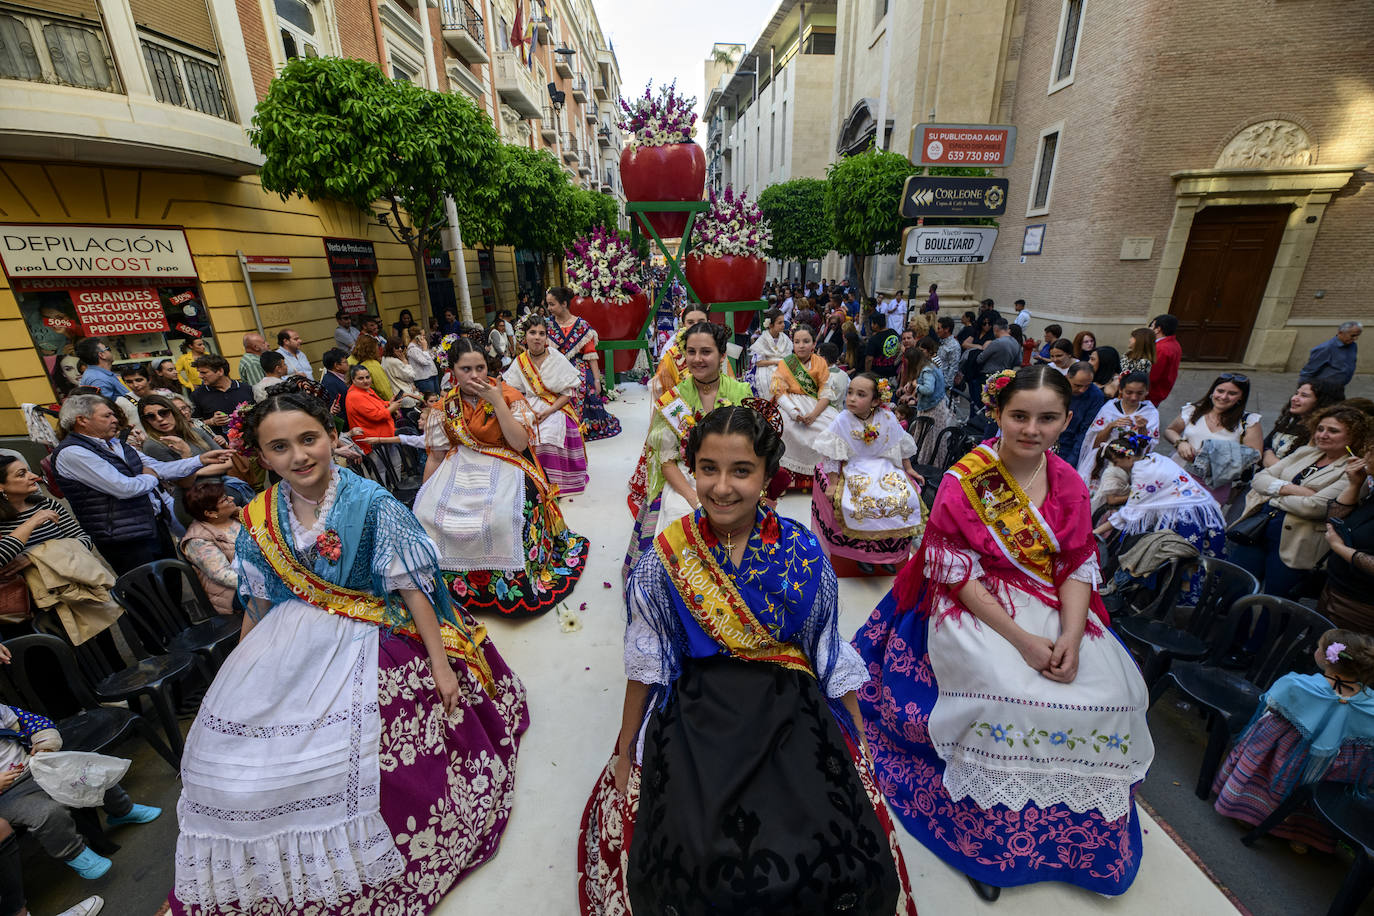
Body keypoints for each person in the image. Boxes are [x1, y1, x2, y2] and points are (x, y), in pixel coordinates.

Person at [168, 377, 527, 915]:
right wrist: (244, 670)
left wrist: (441, 666)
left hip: (371, 638)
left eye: (308, 438)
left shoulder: (374, 503)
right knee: (245, 762)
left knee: (366, 757)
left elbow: (413, 589)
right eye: (279, 446)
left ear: (332, 436)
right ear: (261, 455)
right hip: (290, 641)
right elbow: (259, 604)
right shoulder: (261, 517)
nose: (298, 455)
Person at [580, 405, 919, 916]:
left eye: (741, 471)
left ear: (766, 475)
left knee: (838, 854)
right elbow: (647, 662)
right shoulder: (664, 558)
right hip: (696, 706)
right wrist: (626, 750)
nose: (721, 487)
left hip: (789, 703)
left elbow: (825, 647)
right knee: (691, 856)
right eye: (708, 468)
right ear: (691, 468)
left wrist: (856, 735)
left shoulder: (802, 550)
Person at [855, 365, 1155, 900]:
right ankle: (982, 834)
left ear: (1067, 421)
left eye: (1047, 418)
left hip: (1050, 600)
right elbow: (954, 571)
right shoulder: (965, 478)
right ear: (998, 414)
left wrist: (1069, 634)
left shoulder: (1067, 483)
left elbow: (1077, 564)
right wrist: (1023, 641)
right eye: (1019, 415)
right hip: (975, 602)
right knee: (1003, 690)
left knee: (1114, 692)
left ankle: (1081, 834)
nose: (1031, 429)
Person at [414, 338, 587, 617]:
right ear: (452, 372)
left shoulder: (509, 397)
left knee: (502, 515)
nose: (475, 376)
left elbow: (519, 444)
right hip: (460, 467)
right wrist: (426, 494)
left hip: (507, 464)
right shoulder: (445, 407)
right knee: (427, 513)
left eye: (480, 367)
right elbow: (435, 456)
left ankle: (507, 585)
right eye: (466, 369)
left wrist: (497, 402)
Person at [1212, 630, 1374, 852]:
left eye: (1318, 646)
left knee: (1271, 771)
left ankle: (1251, 814)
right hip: (1330, 765)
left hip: (1288, 751)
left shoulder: (1298, 684)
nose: (1315, 650)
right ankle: (1302, 836)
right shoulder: (1369, 702)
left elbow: (1272, 701)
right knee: (1317, 790)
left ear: (1327, 657)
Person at [624, 322, 753, 578]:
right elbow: (667, 461)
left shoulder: (741, 393)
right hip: (686, 475)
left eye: (705, 352)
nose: (697, 359)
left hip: (733, 475)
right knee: (679, 514)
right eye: (691, 352)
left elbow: (751, 452)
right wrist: (693, 497)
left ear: (722, 355)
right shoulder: (674, 398)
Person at [52, 395, 230, 574]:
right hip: (123, 537)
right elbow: (124, 488)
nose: (115, 420)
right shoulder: (73, 453)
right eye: (107, 416)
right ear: (82, 420)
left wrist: (199, 459)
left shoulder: (114, 443)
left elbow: (159, 468)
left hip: (152, 524)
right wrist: (152, 478)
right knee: (149, 591)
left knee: (171, 581)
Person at [0, 701, 160, 881]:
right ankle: (75, 854)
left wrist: (44, 740)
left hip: (34, 765)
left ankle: (123, 809)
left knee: (86, 772)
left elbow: (28, 722)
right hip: (6, 795)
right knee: (47, 813)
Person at [1231, 405, 1367, 598]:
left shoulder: (1353, 470)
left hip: (1297, 543)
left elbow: (1315, 507)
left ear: (1353, 436)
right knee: (1235, 586)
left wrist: (1273, 494)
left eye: (1333, 431)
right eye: (1320, 429)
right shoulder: (1306, 452)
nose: (1323, 434)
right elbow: (1259, 479)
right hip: (1258, 529)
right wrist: (1297, 491)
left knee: (1276, 602)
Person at [1092, 431, 1228, 599]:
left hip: (1189, 519)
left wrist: (1095, 533)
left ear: (1128, 458)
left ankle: (1177, 605)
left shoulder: (1142, 474)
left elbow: (1129, 514)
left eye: (1115, 462)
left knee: (1179, 564)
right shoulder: (1155, 458)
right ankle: (1198, 603)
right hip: (1205, 513)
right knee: (1199, 566)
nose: (1114, 466)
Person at [812, 373, 924, 572]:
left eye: (861, 394)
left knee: (899, 497)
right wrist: (833, 481)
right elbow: (832, 454)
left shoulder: (887, 417)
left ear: (875, 400)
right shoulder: (842, 419)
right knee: (861, 499)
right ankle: (862, 554)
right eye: (850, 393)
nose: (852, 398)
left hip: (883, 466)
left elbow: (900, 442)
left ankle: (886, 554)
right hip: (855, 467)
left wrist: (908, 469)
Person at [503, 314, 589, 497]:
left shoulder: (556, 358)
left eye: (541, 333)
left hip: (556, 405)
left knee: (550, 434)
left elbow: (568, 393)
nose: (537, 337)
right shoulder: (520, 362)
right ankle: (533, 485)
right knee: (523, 435)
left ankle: (559, 485)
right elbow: (511, 391)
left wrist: (549, 410)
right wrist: (526, 410)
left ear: (546, 337)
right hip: (529, 406)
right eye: (532, 332)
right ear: (524, 337)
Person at [138, 393, 243, 522]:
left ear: (173, 411)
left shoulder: (195, 432)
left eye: (163, 412)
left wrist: (195, 470)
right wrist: (186, 454)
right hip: (195, 504)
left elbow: (227, 462)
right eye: (151, 416)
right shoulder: (153, 445)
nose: (159, 419)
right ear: (146, 421)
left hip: (222, 492)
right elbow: (185, 482)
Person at [1162, 373, 1264, 504]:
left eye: (1232, 393)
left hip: (1214, 484)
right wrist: (1180, 443)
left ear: (1241, 397)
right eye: (1220, 391)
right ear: (1212, 391)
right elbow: (1170, 430)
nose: (1223, 397)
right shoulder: (1193, 410)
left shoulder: (1248, 422)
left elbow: (1254, 455)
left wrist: (1212, 453)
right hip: (1177, 474)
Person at [545, 286, 621, 441]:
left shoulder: (581, 326)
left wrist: (597, 380)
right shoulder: (547, 326)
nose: (549, 308)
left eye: (552, 304)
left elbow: (591, 355)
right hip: (555, 370)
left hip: (579, 371)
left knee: (585, 387)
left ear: (564, 304)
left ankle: (583, 426)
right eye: (548, 304)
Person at [1322, 443, 1374, 631]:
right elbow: (1333, 521)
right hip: (1336, 589)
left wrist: (1340, 549)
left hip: (1362, 608)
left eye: (1370, 450)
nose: (1365, 455)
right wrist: (1354, 484)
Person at [1075, 371, 1160, 479]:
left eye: (1139, 393)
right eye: (1129, 392)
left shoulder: (1150, 413)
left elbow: (1145, 449)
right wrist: (1110, 426)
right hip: (1102, 460)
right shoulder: (1109, 408)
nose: (1134, 397)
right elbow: (1095, 443)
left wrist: (1142, 428)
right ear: (1120, 389)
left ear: (1146, 392)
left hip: (1129, 464)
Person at [179, 479, 241, 616]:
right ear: (211, 513)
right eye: (225, 500)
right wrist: (267, 580)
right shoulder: (198, 541)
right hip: (233, 592)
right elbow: (224, 575)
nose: (232, 498)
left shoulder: (237, 516)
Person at [1263, 379, 1345, 467]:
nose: (1294, 398)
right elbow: (1261, 448)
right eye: (1296, 393)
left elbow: (1290, 469)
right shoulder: (1290, 421)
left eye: (1304, 395)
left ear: (1321, 402)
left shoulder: (1319, 433)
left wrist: (1267, 454)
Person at [344, 365, 405, 457]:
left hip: (382, 436)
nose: (365, 381)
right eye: (361, 378)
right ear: (353, 380)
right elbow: (376, 415)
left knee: (395, 465)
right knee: (382, 470)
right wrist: (392, 408)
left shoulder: (366, 389)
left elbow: (378, 404)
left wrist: (389, 404)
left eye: (367, 377)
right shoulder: (355, 396)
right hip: (373, 440)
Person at [1057, 361, 1106, 469]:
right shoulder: (1056, 388)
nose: (1082, 390)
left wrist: (1071, 460)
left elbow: (1085, 432)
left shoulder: (1096, 395)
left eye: (1087, 386)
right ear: (1067, 377)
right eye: (1077, 385)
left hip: (1071, 446)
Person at [188, 356, 253, 429]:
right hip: (217, 439)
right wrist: (211, 421)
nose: (200, 376)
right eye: (199, 372)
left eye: (204, 372)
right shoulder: (197, 395)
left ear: (220, 371)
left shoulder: (246, 389)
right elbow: (190, 425)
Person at [1299, 321, 1361, 387]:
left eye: (1358, 335)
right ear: (1340, 333)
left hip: (1339, 387)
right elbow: (1307, 372)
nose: (1355, 338)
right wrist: (1302, 391)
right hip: (1322, 388)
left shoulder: (1353, 346)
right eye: (1353, 335)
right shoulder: (1325, 348)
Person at [747, 308, 792, 398]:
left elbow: (789, 357)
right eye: (780, 323)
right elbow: (758, 362)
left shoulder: (785, 339)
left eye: (783, 322)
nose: (783, 325)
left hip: (783, 365)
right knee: (768, 379)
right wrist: (776, 362)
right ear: (771, 325)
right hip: (765, 367)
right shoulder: (763, 339)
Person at [1147, 314, 1182, 407]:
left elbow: (1152, 375)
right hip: (1160, 391)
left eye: (1151, 326)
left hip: (1150, 394)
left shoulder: (1161, 348)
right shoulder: (1174, 344)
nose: (1149, 328)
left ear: (1158, 329)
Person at [347, 333, 393, 401]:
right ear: (372, 349)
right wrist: (394, 405)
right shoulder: (373, 365)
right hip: (379, 404)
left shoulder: (351, 361)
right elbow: (384, 390)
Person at [381, 337, 421, 409]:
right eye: (397, 347)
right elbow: (411, 376)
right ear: (391, 348)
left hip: (398, 395)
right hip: (405, 396)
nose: (400, 349)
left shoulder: (384, 359)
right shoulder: (395, 362)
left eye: (402, 347)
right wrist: (405, 362)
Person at [864, 310, 901, 380]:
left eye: (872, 323)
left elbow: (869, 359)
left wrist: (867, 374)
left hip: (877, 374)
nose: (871, 325)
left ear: (876, 325)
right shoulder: (893, 332)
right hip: (893, 371)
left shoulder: (874, 339)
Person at [319, 347, 351, 421]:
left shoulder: (336, 377)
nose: (348, 364)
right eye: (345, 362)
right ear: (337, 366)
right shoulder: (330, 383)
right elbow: (336, 411)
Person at [406, 327, 440, 395]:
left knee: (437, 398)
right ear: (417, 337)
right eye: (423, 335)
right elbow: (425, 362)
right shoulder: (412, 349)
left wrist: (426, 349)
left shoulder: (419, 346)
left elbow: (431, 357)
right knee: (431, 400)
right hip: (424, 379)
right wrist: (424, 349)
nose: (424, 337)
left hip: (432, 376)